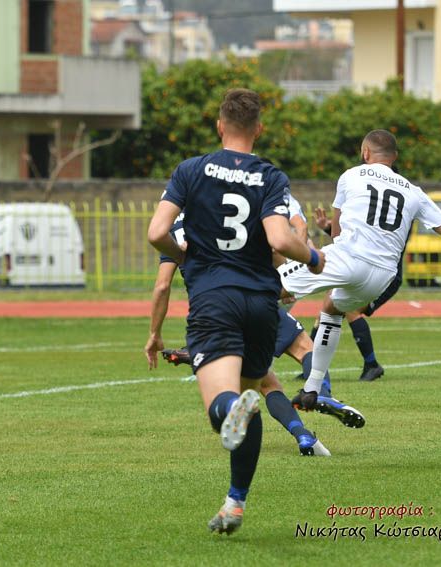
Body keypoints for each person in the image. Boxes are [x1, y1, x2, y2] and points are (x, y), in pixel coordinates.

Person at [147, 88, 325, 536]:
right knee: (249, 397)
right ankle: (235, 503)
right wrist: (314, 257)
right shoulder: (270, 176)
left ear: (219, 125)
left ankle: (232, 411)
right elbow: (280, 241)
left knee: (224, 407)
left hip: (215, 299)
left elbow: (156, 232)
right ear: (258, 129)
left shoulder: (190, 170)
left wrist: (183, 255)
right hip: (262, 305)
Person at [282, 130, 441, 411]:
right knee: (332, 308)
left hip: (348, 256)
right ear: (394, 157)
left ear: (365, 153)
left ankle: (238, 355)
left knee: (265, 285)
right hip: (383, 275)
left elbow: (336, 232)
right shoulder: (414, 192)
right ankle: (312, 389)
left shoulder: (351, 175)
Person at [144, 216, 365, 450]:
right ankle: (321, 392)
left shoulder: (172, 231)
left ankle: (303, 436)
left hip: (212, 310)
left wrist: (154, 333)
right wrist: (284, 277)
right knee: (305, 348)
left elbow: (162, 286)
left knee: (267, 385)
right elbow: (272, 247)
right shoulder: (221, 211)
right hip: (254, 296)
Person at [309, 207, 401, 381]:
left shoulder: (391, 209)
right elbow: (352, 240)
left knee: (350, 309)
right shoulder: (371, 207)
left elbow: (371, 241)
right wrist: (328, 227)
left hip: (382, 273)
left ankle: (372, 364)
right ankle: (308, 364)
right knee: (326, 310)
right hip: (360, 268)